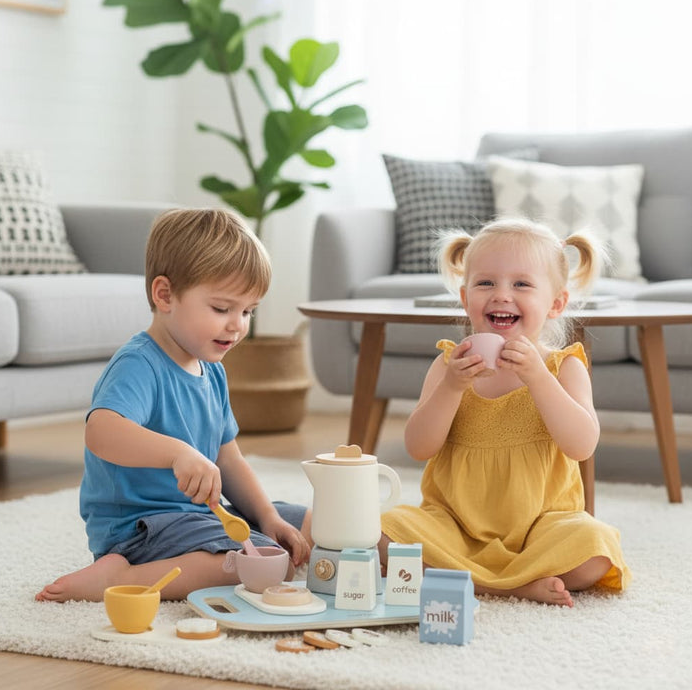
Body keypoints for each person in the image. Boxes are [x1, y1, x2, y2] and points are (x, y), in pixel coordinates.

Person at [36, 208, 311, 602]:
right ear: (164, 295)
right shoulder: (139, 364)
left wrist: (268, 516)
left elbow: (227, 459)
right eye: (222, 309)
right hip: (140, 526)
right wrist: (177, 453)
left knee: (308, 526)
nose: (238, 325)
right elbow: (101, 431)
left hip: (198, 517)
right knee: (250, 563)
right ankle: (120, 577)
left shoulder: (211, 368)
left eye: (248, 311)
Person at [379, 217, 631, 607]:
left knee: (595, 548)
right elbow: (418, 447)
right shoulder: (448, 367)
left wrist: (538, 379)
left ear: (556, 303)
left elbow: (582, 445)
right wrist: (451, 389)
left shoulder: (564, 367)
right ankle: (511, 588)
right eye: (486, 283)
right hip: (454, 525)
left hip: (540, 527)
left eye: (521, 284)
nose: (501, 295)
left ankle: (467, 579)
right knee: (381, 531)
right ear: (465, 299)